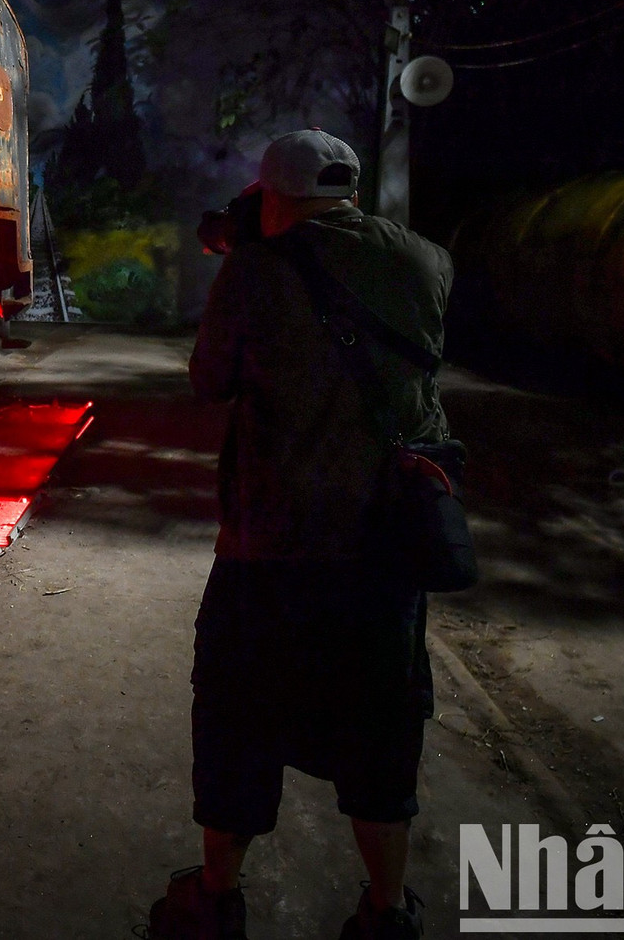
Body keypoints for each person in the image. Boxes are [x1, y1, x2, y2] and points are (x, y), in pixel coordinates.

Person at [184, 129, 453, 940]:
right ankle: (384, 908)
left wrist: (247, 257)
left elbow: (209, 380)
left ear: (274, 195)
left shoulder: (256, 269)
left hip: (271, 548)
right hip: (385, 552)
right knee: (380, 738)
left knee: (238, 726)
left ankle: (216, 898)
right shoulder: (429, 262)